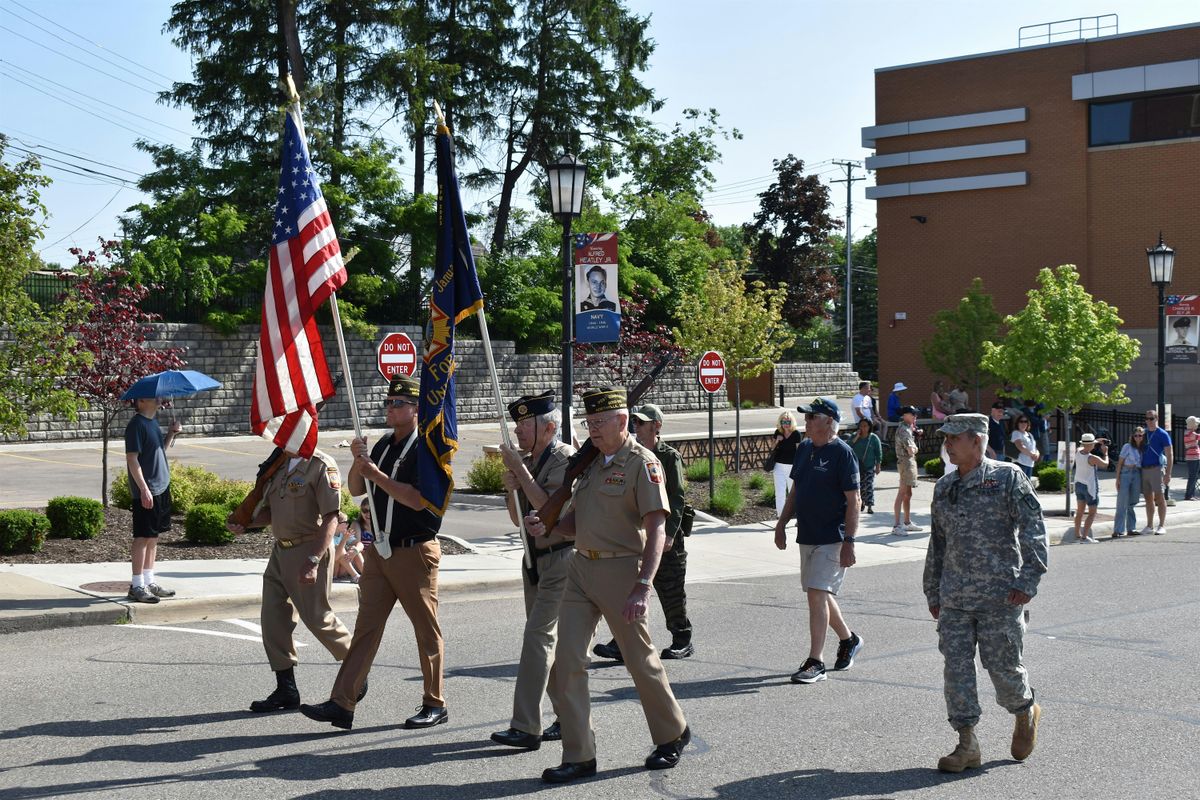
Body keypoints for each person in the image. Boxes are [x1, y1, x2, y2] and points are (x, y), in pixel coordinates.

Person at [524, 387, 689, 784]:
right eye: (589, 422)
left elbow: (656, 529)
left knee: (639, 660)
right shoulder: (590, 465)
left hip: (621, 572)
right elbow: (576, 524)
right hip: (580, 568)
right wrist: (547, 525)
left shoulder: (643, 464)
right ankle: (580, 754)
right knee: (568, 662)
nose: (592, 430)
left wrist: (642, 585)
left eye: (599, 422)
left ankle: (671, 733)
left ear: (622, 421)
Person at [299, 375, 447, 731]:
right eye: (388, 403)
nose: (390, 409)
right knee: (366, 628)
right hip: (379, 550)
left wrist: (376, 474)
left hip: (414, 551)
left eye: (398, 404)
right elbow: (354, 488)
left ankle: (435, 702)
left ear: (415, 409)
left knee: (426, 631)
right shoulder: (382, 445)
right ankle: (342, 703)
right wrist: (358, 461)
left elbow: (417, 498)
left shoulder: (427, 449)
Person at [924, 413, 1047, 773]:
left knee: (1004, 669)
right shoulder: (945, 487)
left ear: (976, 441)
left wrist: (1027, 581)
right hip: (955, 599)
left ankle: (1025, 710)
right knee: (956, 670)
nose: (946, 444)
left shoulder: (1007, 478)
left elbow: (1034, 530)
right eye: (945, 438)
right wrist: (933, 590)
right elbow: (938, 543)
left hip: (1000, 597)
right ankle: (967, 744)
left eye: (953, 438)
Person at [226, 445, 354, 714]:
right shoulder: (280, 464)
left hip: (309, 549)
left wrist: (313, 560)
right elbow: (273, 513)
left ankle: (357, 672)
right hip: (280, 551)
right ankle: (286, 689)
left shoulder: (321, 465)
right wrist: (244, 522)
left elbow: (331, 517)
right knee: (273, 620)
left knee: (318, 617)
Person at [489, 391, 575, 751]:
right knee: (546, 646)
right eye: (518, 424)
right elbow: (519, 521)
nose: (519, 430)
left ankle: (526, 727)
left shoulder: (564, 459)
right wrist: (511, 490)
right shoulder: (530, 461)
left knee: (537, 639)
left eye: (526, 424)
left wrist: (521, 474)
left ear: (549, 426)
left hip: (560, 559)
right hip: (533, 560)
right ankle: (568, 718)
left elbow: (550, 510)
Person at [773, 397, 863, 685]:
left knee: (816, 592)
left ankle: (816, 661)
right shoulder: (805, 449)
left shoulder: (842, 453)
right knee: (819, 594)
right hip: (808, 534)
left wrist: (849, 541)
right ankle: (849, 640)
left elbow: (855, 501)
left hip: (832, 537)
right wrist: (781, 523)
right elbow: (796, 491)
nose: (807, 421)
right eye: (807, 417)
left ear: (828, 421)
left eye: (812, 417)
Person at [594, 403, 693, 662]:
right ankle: (622, 642)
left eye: (642, 423)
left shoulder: (668, 456)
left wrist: (670, 533)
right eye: (635, 422)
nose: (637, 427)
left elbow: (677, 497)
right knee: (632, 589)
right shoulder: (631, 454)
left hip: (666, 536)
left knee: (670, 591)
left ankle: (682, 639)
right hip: (638, 535)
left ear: (656, 426)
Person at [124, 397, 182, 604]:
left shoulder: (152, 423)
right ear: (141, 401)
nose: (158, 399)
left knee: (154, 536)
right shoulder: (136, 425)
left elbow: (159, 451)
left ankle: (149, 581)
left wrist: (170, 434)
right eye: (152, 396)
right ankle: (137, 585)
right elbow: (132, 459)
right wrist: (143, 489)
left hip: (161, 487)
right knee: (142, 537)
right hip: (147, 489)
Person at [1139, 409, 1173, 536]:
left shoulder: (1162, 434)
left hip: (1157, 468)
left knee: (1159, 497)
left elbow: (1170, 454)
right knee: (1148, 498)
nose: (1149, 421)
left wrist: (1168, 473)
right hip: (1144, 468)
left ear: (1157, 419)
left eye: (1151, 418)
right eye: (1147, 419)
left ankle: (1162, 525)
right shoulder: (1143, 433)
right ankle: (1149, 525)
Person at [1072, 433, 1108, 544]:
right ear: (1091, 445)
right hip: (1089, 487)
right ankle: (1085, 537)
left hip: (1078, 484)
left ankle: (1077, 535)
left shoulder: (1078, 452)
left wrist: (1095, 441)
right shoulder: (1092, 458)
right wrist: (1105, 453)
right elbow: (1105, 464)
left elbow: (1084, 445)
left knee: (1080, 512)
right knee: (1092, 513)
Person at [892, 406, 922, 536]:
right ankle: (897, 525)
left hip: (908, 462)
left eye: (915, 414)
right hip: (905, 462)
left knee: (908, 494)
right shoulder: (904, 430)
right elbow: (911, 450)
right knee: (902, 493)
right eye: (913, 414)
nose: (915, 416)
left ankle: (907, 522)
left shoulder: (907, 428)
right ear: (905, 415)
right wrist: (916, 448)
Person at [1112, 428, 1144, 538]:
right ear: (1132, 436)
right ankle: (1118, 529)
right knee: (1122, 502)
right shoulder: (1127, 446)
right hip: (1126, 473)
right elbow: (1120, 463)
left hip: (1137, 474)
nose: (1138, 438)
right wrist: (1117, 479)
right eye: (1136, 435)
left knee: (1133, 502)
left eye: (1140, 435)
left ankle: (1131, 528)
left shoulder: (1144, 448)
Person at [770, 410, 802, 518]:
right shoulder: (778, 432)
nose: (785, 424)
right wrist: (777, 441)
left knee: (793, 494)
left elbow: (799, 451)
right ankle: (781, 517)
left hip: (792, 466)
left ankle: (798, 516)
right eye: (783, 421)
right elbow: (772, 447)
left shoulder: (796, 434)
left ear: (791, 422)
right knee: (779, 494)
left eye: (788, 422)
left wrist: (799, 467)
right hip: (778, 466)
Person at [851, 418, 882, 514]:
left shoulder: (873, 438)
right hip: (856, 467)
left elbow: (878, 452)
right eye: (861, 426)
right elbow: (847, 447)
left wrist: (878, 465)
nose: (863, 428)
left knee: (869, 486)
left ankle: (870, 506)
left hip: (869, 466)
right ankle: (861, 502)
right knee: (859, 487)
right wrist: (856, 437)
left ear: (869, 427)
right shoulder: (854, 436)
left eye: (865, 426)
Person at [331, 512, 364, 583]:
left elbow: (360, 544)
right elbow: (335, 557)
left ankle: (367, 575)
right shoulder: (330, 536)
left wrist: (356, 550)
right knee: (341, 549)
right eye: (345, 522)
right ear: (336, 523)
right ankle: (355, 576)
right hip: (333, 570)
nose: (347, 524)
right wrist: (344, 540)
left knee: (354, 549)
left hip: (342, 569)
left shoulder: (343, 533)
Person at [1184, 416, 1200, 501]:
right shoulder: (1191, 434)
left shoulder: (1188, 433)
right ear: (1193, 425)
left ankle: (1191, 494)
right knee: (1193, 476)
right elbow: (1198, 437)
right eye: (1197, 423)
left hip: (1192, 457)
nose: (1198, 425)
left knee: (1193, 476)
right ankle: (1189, 495)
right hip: (1193, 458)